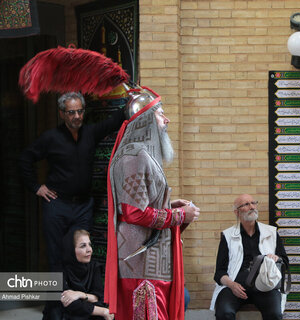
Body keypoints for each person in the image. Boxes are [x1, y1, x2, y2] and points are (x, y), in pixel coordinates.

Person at [104, 90, 200, 320]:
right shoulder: (135, 155)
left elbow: (141, 203)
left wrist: (169, 204)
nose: (167, 120)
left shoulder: (139, 153)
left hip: (148, 256)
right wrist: (179, 216)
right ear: (145, 120)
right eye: (161, 115)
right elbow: (134, 212)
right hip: (141, 258)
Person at [18, 91, 125, 273]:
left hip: (83, 207)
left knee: (81, 256)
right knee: (56, 255)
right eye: (71, 112)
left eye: (80, 111)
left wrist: (134, 100)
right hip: (57, 205)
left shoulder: (90, 133)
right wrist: (36, 187)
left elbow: (112, 122)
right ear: (62, 113)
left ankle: (78, 300)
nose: (77, 116)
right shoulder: (51, 138)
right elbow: (25, 159)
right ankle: (55, 302)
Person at [210, 194, 288, 320]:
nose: (252, 207)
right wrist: (232, 285)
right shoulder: (228, 235)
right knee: (224, 313)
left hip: (265, 286)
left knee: (275, 314)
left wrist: (276, 258)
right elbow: (219, 272)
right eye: (246, 204)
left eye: (253, 203)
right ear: (237, 212)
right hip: (235, 286)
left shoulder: (271, 232)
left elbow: (285, 262)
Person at [61, 228, 114, 320]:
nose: (89, 250)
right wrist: (103, 311)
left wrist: (80, 295)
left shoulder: (94, 266)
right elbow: (69, 304)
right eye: (83, 246)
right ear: (71, 249)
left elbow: (100, 298)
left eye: (89, 245)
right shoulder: (60, 270)